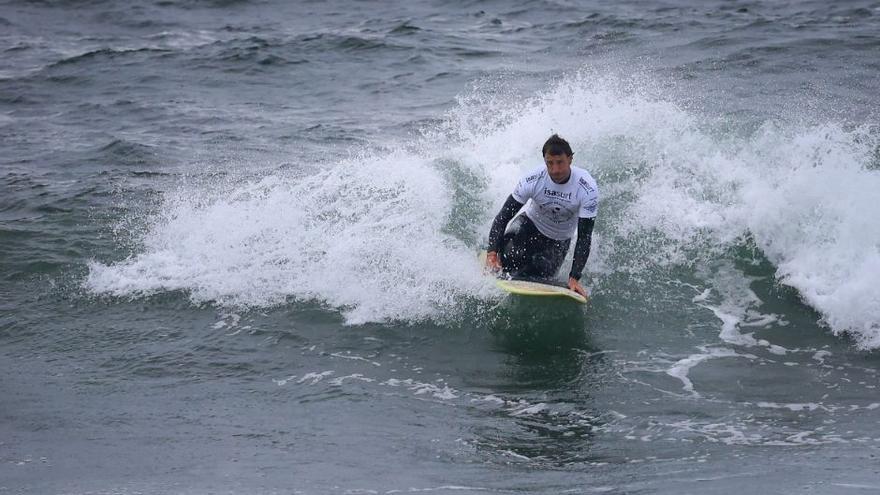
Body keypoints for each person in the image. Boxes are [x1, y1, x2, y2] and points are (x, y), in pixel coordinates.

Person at [485, 134, 598, 297]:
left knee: (540, 274)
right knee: (510, 258)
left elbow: (584, 237)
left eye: (560, 163)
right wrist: (491, 254)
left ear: (570, 159)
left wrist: (574, 278)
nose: (555, 170)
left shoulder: (587, 188)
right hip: (528, 225)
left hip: (558, 239)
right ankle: (500, 255)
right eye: (549, 163)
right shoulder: (533, 179)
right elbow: (503, 216)